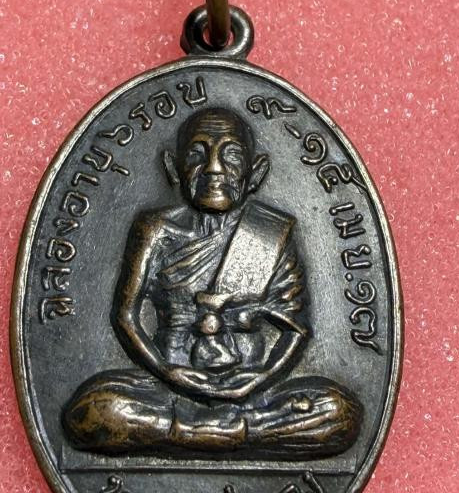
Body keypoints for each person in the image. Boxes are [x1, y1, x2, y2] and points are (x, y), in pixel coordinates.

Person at [63, 107, 361, 457]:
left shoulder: (269, 232)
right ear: (174, 168)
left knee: (339, 412)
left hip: (249, 391)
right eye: (197, 155)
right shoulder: (157, 230)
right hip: (168, 385)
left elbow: (296, 328)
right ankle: (237, 435)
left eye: (231, 156)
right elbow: (125, 316)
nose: (214, 168)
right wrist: (168, 372)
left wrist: (261, 378)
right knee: (92, 413)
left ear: (256, 172)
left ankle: (188, 433)